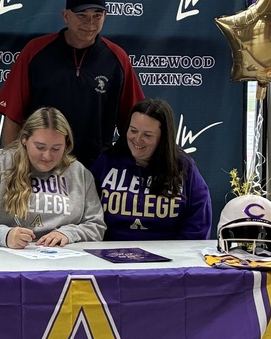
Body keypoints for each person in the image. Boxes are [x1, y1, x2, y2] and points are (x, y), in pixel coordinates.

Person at [0, 0, 144, 167]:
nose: (89, 23)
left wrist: (132, 169)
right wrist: (12, 167)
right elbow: (13, 115)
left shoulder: (117, 58)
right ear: (66, 16)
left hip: (96, 169)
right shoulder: (35, 52)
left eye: (97, 16)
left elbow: (135, 123)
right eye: (82, 15)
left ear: (105, 16)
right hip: (41, 165)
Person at [0, 106, 106, 247]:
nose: (47, 156)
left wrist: (68, 234)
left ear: (66, 144)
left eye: (56, 148)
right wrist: (5, 235)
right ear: (24, 140)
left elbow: (96, 225)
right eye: (40, 147)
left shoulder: (79, 173)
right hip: (6, 258)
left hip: (62, 258)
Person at [90, 97, 212, 240]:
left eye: (147, 135)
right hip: (109, 254)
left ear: (163, 138)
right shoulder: (105, 163)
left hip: (168, 257)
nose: (137, 139)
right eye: (133, 130)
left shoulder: (183, 167)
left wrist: (179, 257)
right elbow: (86, 215)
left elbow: (198, 222)